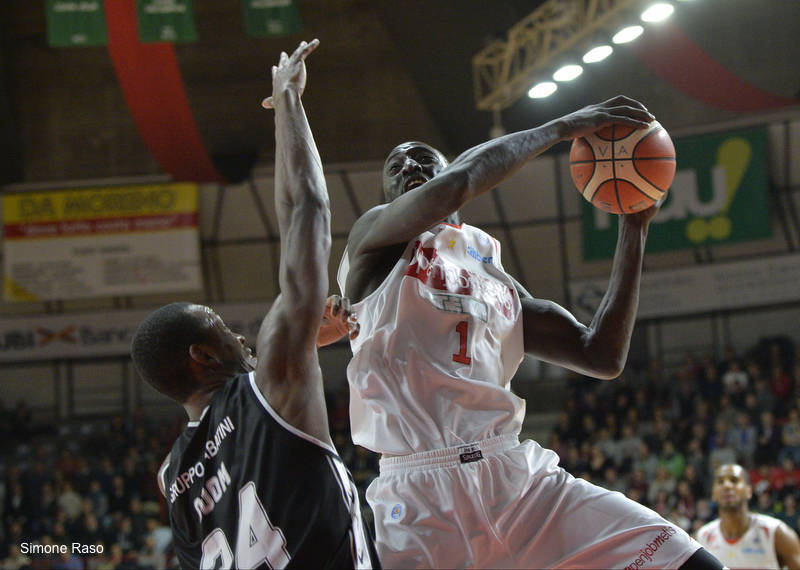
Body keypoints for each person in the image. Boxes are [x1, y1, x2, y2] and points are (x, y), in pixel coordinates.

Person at [337, 95, 723, 568]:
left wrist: (634, 227)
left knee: (688, 561)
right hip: (421, 497)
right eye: (396, 166)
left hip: (518, 481)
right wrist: (566, 126)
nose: (409, 165)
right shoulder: (374, 241)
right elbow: (457, 183)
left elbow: (600, 354)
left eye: (422, 158)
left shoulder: (490, 268)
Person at [131, 39, 377, 569]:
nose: (239, 337)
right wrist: (288, 102)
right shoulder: (268, 386)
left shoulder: (172, 478)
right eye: (219, 327)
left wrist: (301, 340)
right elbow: (305, 211)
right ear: (203, 355)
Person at [696, 463, 800, 569]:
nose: (726, 485)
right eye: (720, 482)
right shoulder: (703, 537)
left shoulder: (776, 533)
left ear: (749, 491)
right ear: (713, 493)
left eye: (734, 480)